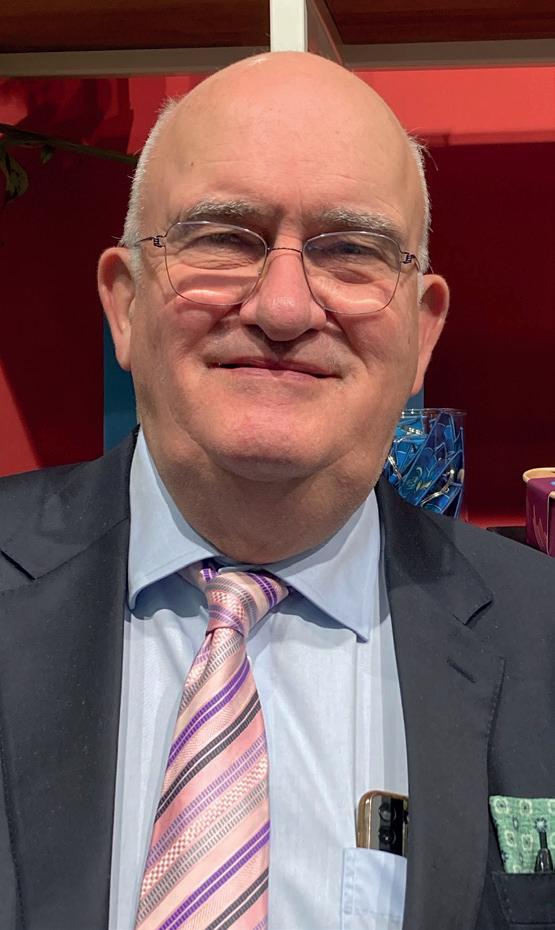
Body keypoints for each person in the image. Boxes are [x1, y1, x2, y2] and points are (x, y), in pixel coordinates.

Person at [0, 51, 553, 930]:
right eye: (224, 239)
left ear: (421, 333)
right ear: (124, 305)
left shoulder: (542, 639)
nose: (284, 308)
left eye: (352, 251)